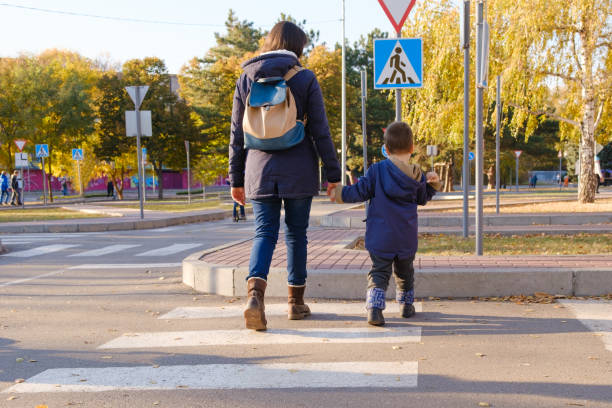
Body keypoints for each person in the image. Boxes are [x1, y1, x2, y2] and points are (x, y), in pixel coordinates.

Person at [229, 21, 341, 331]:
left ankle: (254, 297)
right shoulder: (304, 77)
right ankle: (295, 303)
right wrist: (333, 174)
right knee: (295, 234)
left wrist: (235, 178)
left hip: (258, 168)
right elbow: (320, 130)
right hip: (299, 169)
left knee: (264, 233)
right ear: (297, 47)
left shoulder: (246, 78)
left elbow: (237, 133)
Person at [330, 122, 440, 326]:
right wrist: (432, 184)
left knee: (379, 272)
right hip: (405, 235)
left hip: (380, 235)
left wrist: (339, 193)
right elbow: (423, 198)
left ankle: (374, 309)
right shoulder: (417, 174)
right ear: (412, 148)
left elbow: (359, 191)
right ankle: (406, 306)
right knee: (405, 272)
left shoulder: (376, 170)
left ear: (386, 149)